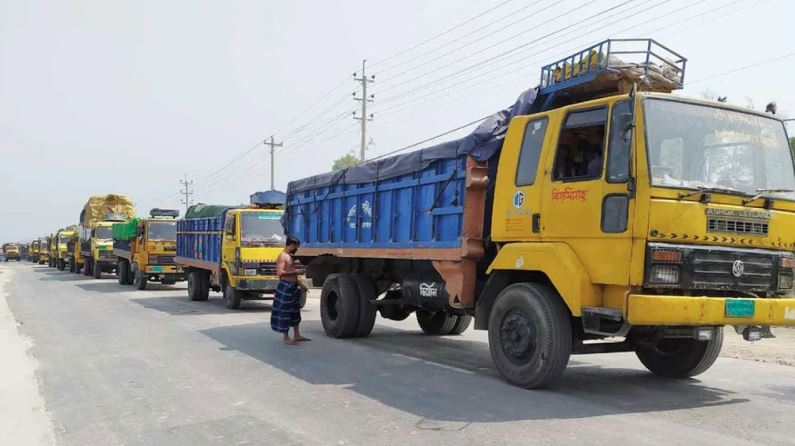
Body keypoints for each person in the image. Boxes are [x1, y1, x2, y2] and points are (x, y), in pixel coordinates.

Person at [272, 236, 310, 345]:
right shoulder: (282, 256)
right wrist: (295, 272)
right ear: (292, 245)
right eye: (296, 247)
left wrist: (300, 283)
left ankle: (297, 335)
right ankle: (286, 338)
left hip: (293, 287)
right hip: (285, 287)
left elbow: (292, 272)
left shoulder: (289, 256)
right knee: (285, 312)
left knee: (295, 312)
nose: (296, 249)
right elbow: (280, 273)